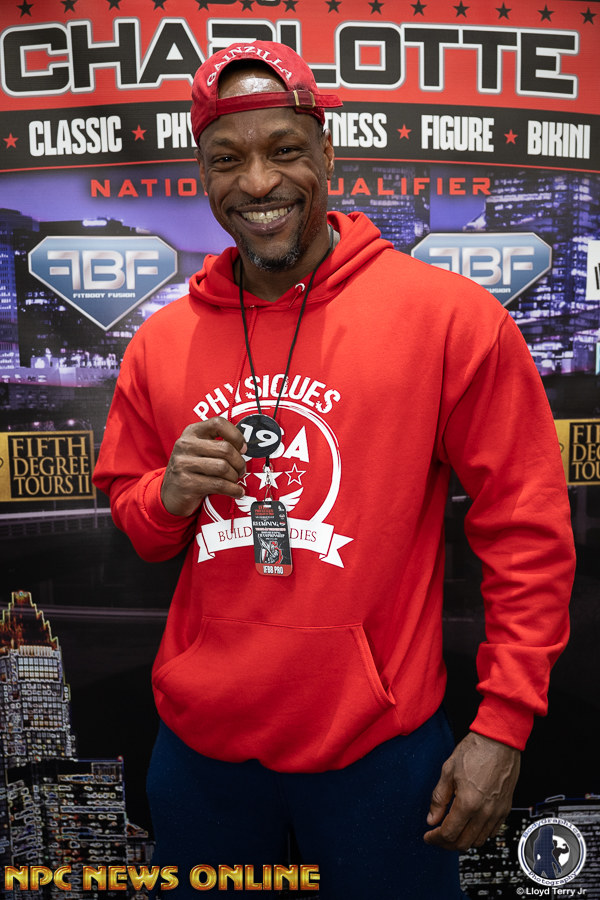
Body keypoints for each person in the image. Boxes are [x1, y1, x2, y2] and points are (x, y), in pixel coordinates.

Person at [93, 40, 575, 898]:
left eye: (284, 149)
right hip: (200, 757)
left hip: (380, 753)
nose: (258, 183)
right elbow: (140, 525)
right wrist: (169, 495)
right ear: (202, 174)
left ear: (327, 151)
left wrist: (504, 725)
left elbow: (526, 530)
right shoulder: (161, 343)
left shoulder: (447, 320)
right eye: (227, 159)